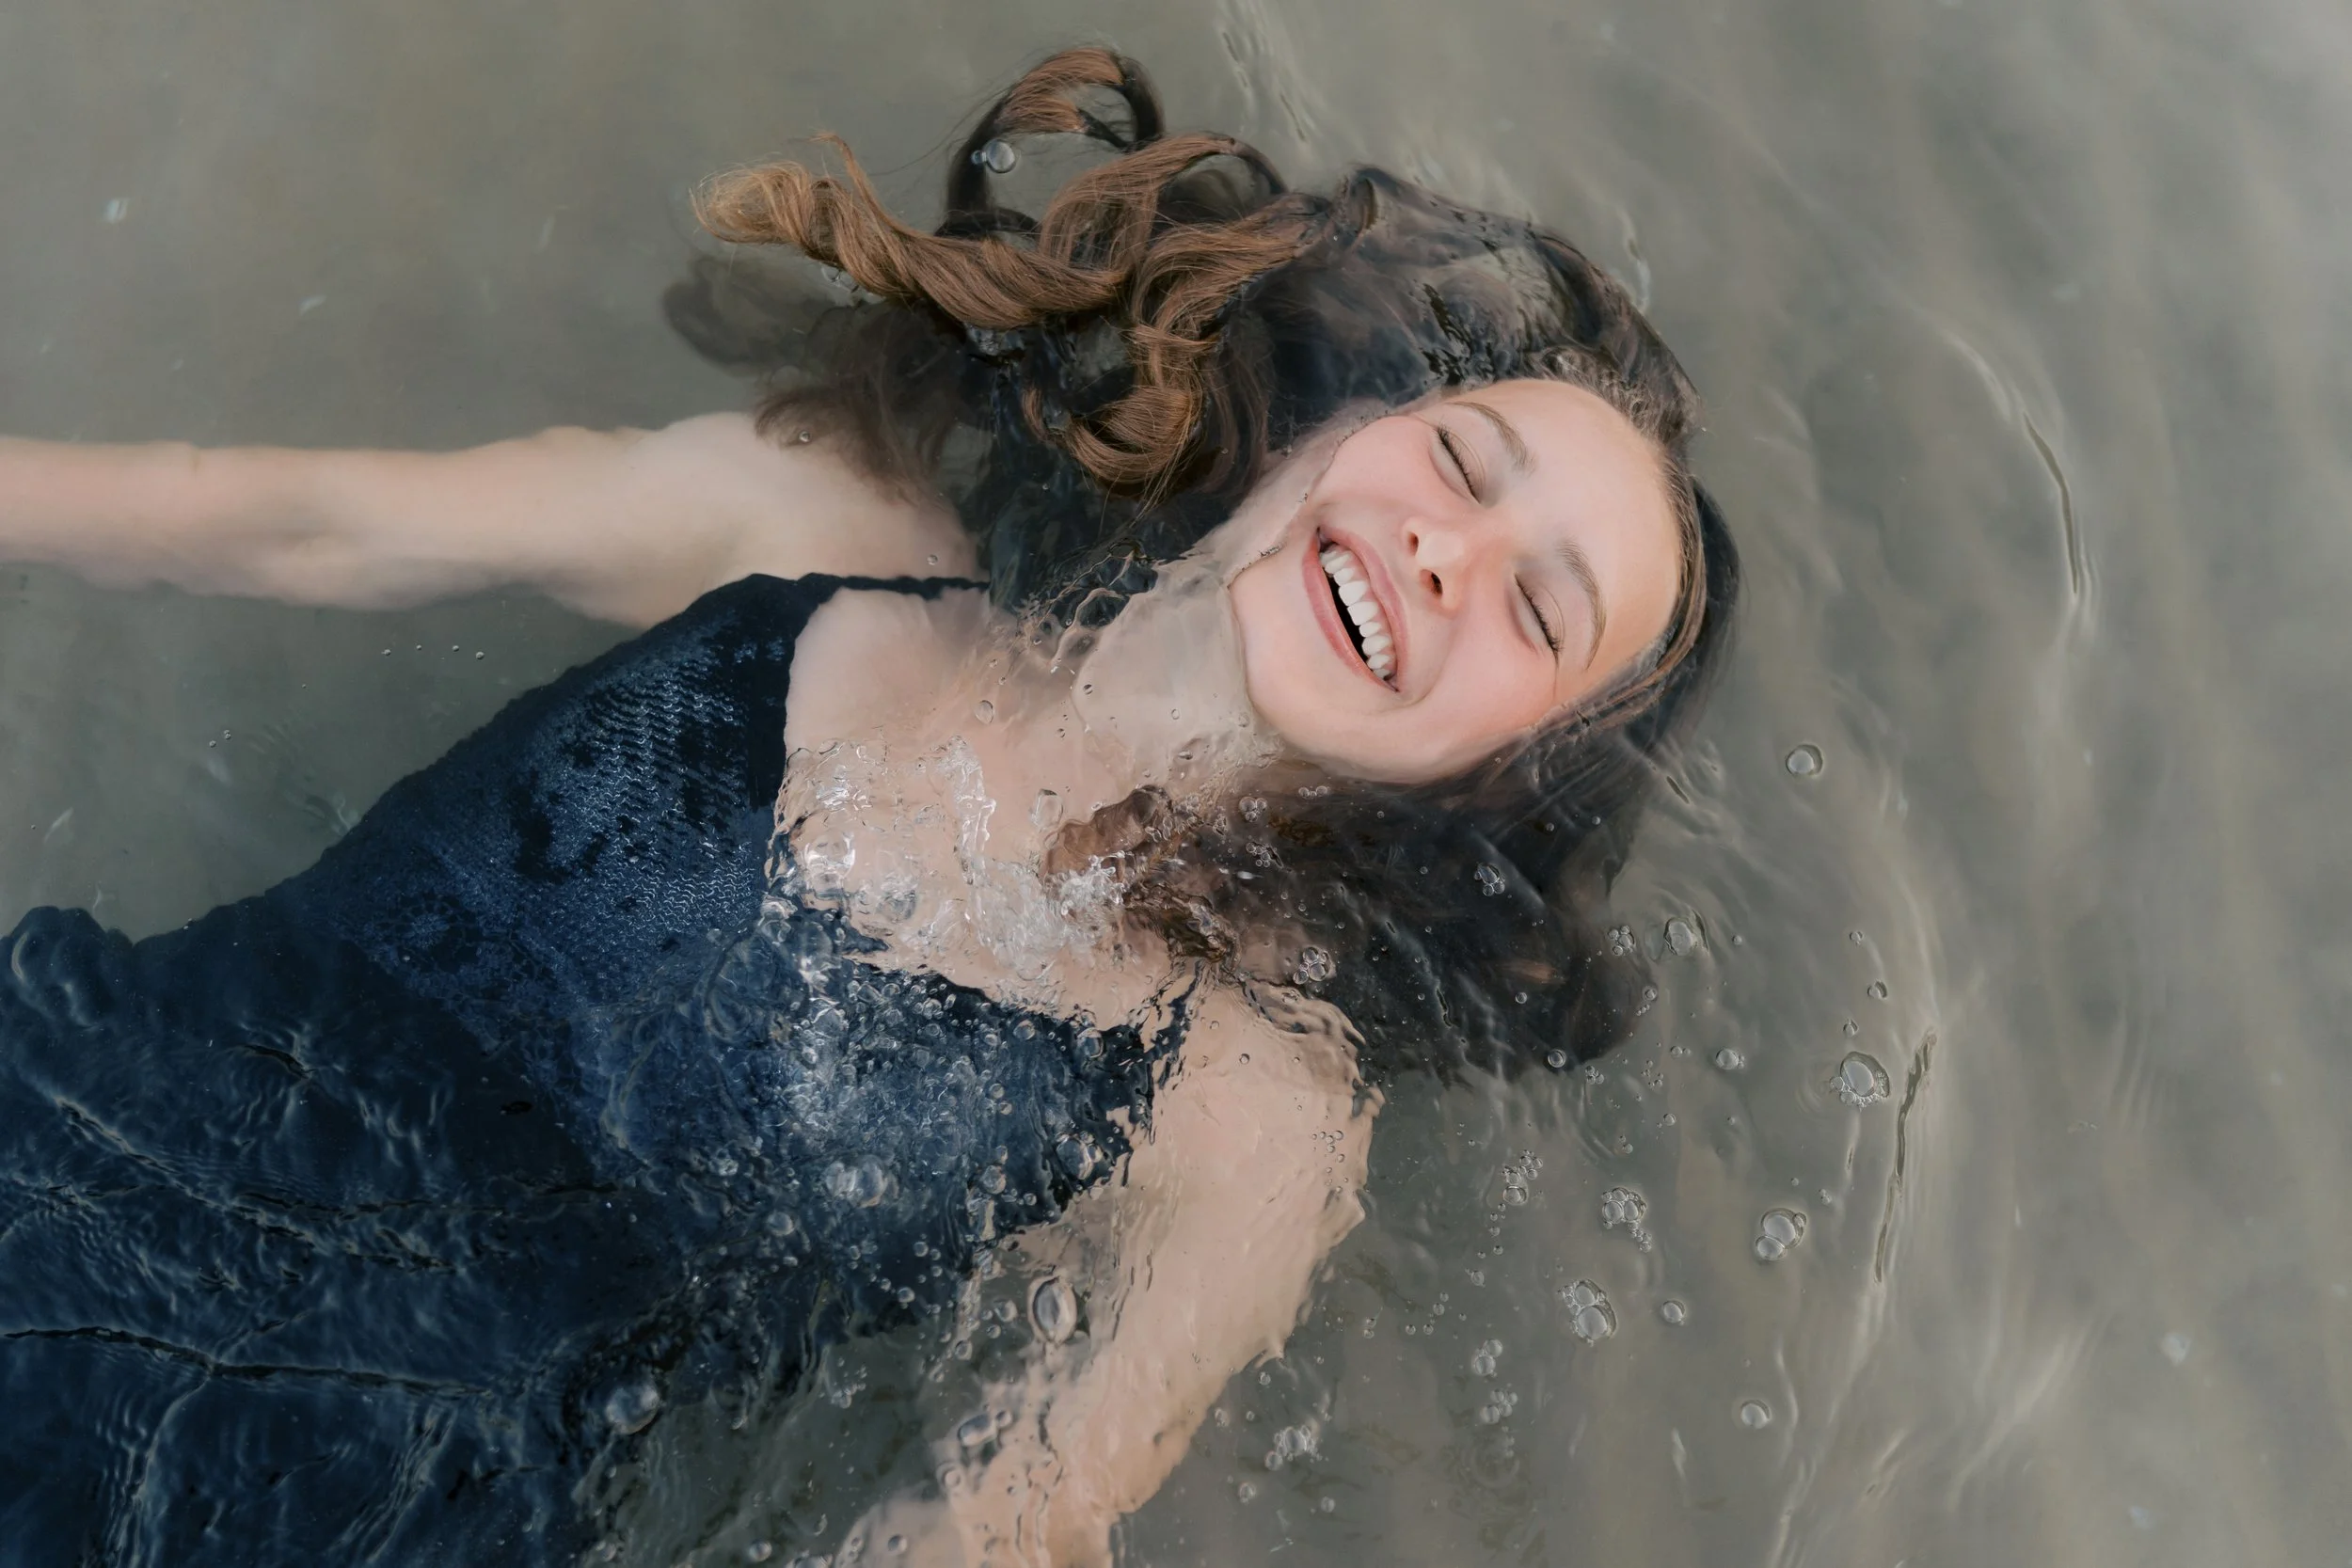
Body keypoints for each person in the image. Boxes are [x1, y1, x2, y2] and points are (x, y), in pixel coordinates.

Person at [0, 47, 1736, 1568]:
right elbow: (299, 523)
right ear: (1330, 429)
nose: (1446, 551)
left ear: (1508, 768)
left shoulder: (1253, 1106)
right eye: (1463, 461)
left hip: (343, 1514)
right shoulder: (815, 534)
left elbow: (999, 1522)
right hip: (73, 1128)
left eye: (1538, 611)